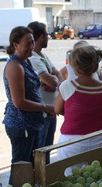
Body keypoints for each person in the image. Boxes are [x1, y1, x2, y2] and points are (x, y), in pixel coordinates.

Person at [3, 26, 55, 184]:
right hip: (22, 125)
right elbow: (19, 102)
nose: (32, 47)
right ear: (15, 44)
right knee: (21, 169)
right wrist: (45, 107)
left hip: (33, 123)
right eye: (27, 43)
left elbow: (28, 86)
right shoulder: (14, 66)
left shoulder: (26, 62)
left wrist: (39, 85)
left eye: (33, 42)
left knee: (32, 166)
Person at [54, 45, 102, 167]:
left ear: (75, 67)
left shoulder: (68, 85)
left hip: (72, 143)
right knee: (96, 177)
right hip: (100, 139)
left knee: (71, 180)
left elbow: (57, 109)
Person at [28, 21, 63, 164]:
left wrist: (53, 81)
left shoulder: (43, 56)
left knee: (47, 151)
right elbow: (55, 81)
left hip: (51, 112)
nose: (49, 38)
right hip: (41, 114)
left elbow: (59, 77)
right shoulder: (33, 59)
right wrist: (54, 82)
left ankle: (45, 182)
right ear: (42, 37)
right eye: (47, 35)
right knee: (40, 154)